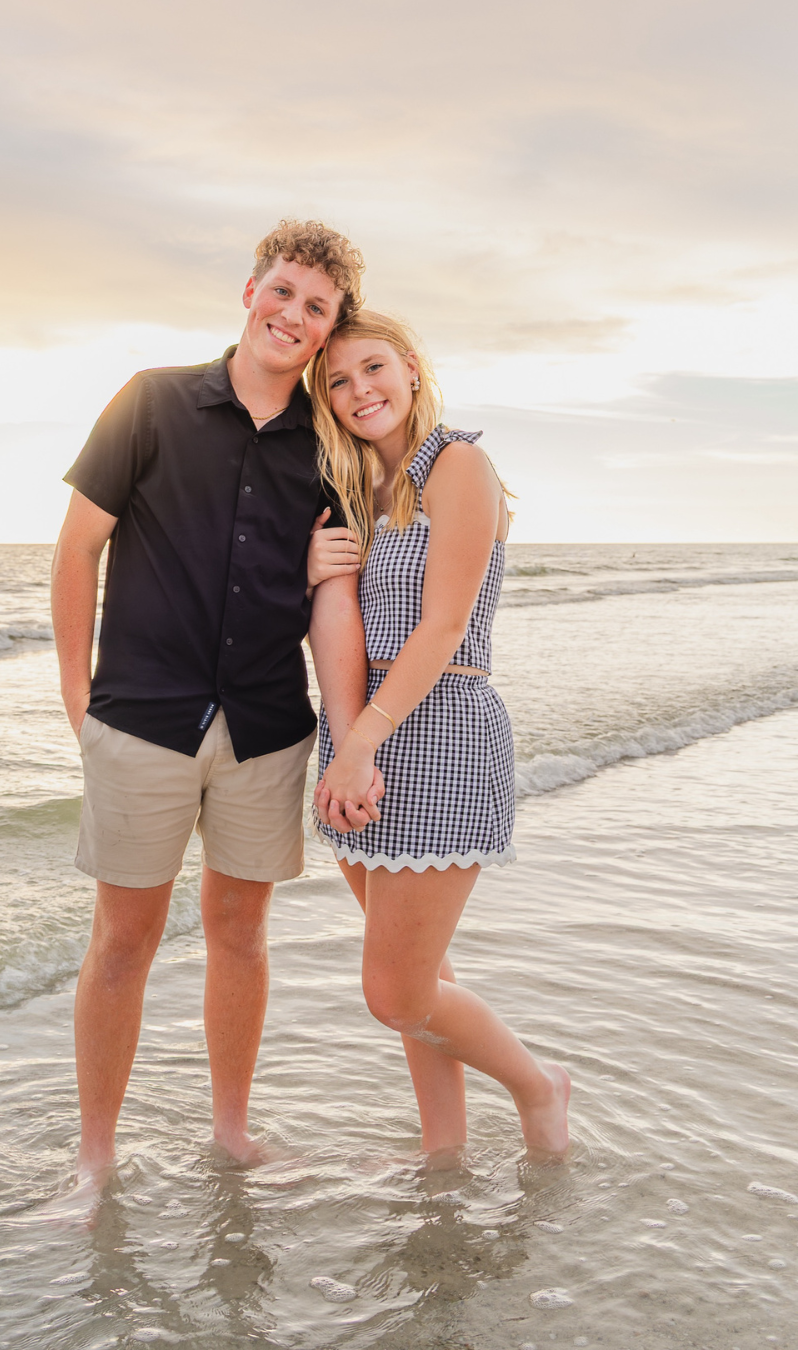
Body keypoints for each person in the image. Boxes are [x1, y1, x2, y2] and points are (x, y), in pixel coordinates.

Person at [50, 220, 380, 1199]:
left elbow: (332, 597)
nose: (293, 315)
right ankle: (96, 1159)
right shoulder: (150, 402)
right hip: (141, 719)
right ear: (249, 291)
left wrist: (353, 736)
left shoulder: (330, 449)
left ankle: (230, 1134)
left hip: (267, 728)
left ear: (327, 329)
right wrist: (77, 696)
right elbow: (77, 549)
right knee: (123, 941)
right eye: (283, 291)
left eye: (316, 307)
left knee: (241, 933)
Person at [309, 309, 571, 1157]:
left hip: (441, 730)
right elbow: (337, 622)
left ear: (412, 368)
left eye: (373, 368)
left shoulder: (458, 464)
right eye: (338, 381)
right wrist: (346, 739)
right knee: (422, 975)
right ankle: (443, 1153)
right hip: (361, 733)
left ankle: (539, 1087)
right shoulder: (358, 492)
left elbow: (446, 625)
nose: (359, 391)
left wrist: (360, 745)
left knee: (395, 991)